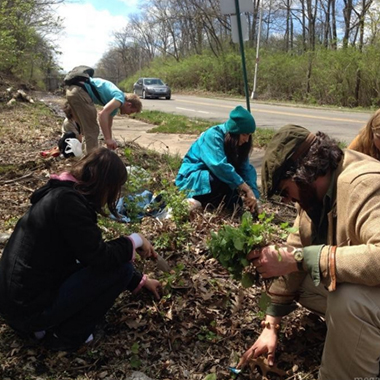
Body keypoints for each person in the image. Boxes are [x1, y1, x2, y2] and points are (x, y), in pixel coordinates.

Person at [237, 124, 380, 379]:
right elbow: (294, 250)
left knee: (348, 298)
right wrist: (270, 325)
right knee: (304, 277)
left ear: (304, 172)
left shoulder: (364, 183)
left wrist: (303, 259)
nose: (287, 201)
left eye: (285, 191)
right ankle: (360, 338)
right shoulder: (316, 193)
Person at [0, 148, 161, 351]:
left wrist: (140, 281)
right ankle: (66, 335)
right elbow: (99, 257)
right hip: (29, 310)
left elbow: (85, 251)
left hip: (17, 303)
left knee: (119, 266)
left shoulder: (60, 193)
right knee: (121, 269)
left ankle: (46, 325)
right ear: (105, 185)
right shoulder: (69, 204)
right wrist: (136, 240)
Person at [175, 105, 260, 213]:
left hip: (221, 179)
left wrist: (254, 196)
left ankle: (211, 203)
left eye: (249, 135)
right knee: (215, 179)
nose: (247, 140)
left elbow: (246, 169)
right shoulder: (213, 135)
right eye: (244, 134)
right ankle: (193, 201)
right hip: (194, 178)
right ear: (234, 132)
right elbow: (219, 166)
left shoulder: (240, 144)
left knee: (235, 205)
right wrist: (246, 188)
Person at [66, 77, 142, 153]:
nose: (129, 114)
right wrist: (108, 139)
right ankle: (92, 162)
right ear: (129, 104)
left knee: (86, 129)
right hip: (80, 91)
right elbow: (103, 114)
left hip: (72, 91)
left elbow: (109, 124)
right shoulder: (119, 97)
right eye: (131, 111)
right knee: (92, 130)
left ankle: (84, 157)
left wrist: (110, 142)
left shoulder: (115, 103)